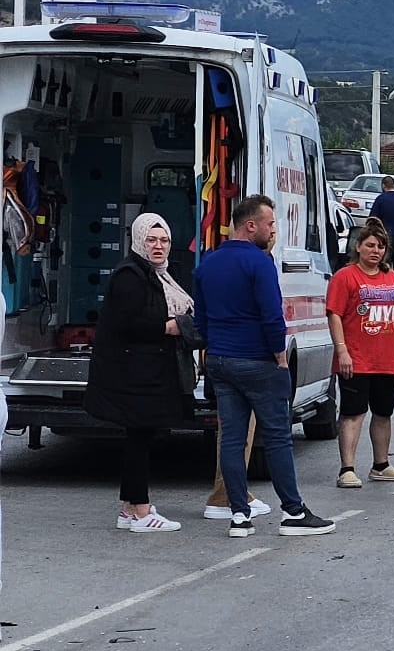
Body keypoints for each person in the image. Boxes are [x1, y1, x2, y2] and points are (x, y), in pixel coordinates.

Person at [195, 195, 333, 537]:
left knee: (231, 438)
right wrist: (280, 355)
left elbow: (201, 319)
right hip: (257, 360)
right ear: (250, 225)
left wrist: (212, 349)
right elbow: (272, 315)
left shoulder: (207, 264)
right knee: (277, 437)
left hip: (220, 360)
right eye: (270, 224)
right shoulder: (259, 264)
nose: (273, 230)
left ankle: (239, 515)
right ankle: (293, 512)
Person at [83, 213, 197, 533]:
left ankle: (130, 508)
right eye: (151, 240)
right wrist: (171, 327)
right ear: (138, 240)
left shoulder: (159, 274)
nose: (158, 246)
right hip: (133, 372)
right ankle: (142, 511)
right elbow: (128, 323)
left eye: (164, 241)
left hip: (148, 370)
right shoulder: (130, 275)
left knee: (141, 436)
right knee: (139, 437)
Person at [327, 218, 394, 489]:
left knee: (383, 413)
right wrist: (342, 351)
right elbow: (334, 315)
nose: (375, 251)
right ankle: (347, 469)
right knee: (353, 413)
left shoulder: (392, 279)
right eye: (370, 245)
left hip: (386, 361)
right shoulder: (345, 277)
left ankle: (381, 465)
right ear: (358, 247)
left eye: (380, 246)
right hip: (356, 360)